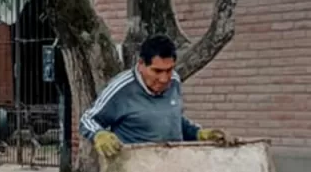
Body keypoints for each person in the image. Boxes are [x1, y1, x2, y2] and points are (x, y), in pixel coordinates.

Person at [79, 34, 230, 158]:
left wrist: (198, 134)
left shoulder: (174, 81)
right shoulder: (122, 88)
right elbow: (87, 119)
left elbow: (172, 119)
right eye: (157, 71)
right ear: (141, 64)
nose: (164, 79)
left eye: (169, 70)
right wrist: (99, 134)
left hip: (173, 169)